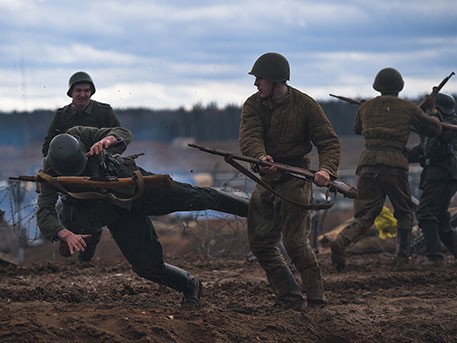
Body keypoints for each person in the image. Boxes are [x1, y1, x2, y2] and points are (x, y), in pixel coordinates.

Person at [36, 125, 249, 308]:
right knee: (147, 268)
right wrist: (64, 234)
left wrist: (109, 140)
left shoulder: (80, 134)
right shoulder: (49, 174)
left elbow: (121, 132)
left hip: (136, 186)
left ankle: (253, 210)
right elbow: (45, 210)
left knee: (198, 197)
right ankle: (190, 284)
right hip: (115, 213)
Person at [239, 52, 341, 310]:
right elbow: (250, 136)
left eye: (259, 78)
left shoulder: (306, 105)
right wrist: (261, 157)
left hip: (296, 178)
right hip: (266, 178)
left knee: (295, 242)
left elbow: (328, 142)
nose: (255, 84)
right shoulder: (253, 105)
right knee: (261, 243)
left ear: (275, 80)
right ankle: (289, 296)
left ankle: (316, 299)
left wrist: (326, 171)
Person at [330, 67, 442, 272]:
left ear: (377, 86)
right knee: (405, 212)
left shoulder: (366, 107)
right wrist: (433, 110)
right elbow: (434, 129)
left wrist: (366, 109)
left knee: (364, 215)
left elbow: (357, 129)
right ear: (399, 88)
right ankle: (402, 259)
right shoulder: (407, 108)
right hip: (394, 166)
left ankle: (342, 241)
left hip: (367, 165)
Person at [42, 71, 121, 266]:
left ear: (92, 92)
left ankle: (85, 258)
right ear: (71, 93)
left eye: (87, 90)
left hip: (97, 171)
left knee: (94, 219)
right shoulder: (62, 116)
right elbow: (48, 146)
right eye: (78, 90)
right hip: (70, 172)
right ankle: (67, 239)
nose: (83, 94)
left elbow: (118, 139)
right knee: (69, 211)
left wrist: (105, 151)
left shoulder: (104, 112)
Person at [407, 92, 457, 264]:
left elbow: (442, 135)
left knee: (425, 212)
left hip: (444, 174)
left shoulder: (450, 123)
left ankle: (434, 257)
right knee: (441, 218)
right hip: (435, 174)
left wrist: (432, 109)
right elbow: (421, 151)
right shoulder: (433, 127)